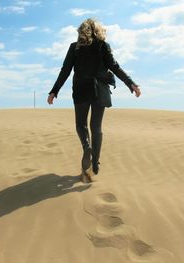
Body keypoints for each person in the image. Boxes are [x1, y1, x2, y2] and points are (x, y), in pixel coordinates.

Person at [47, 18, 141, 181]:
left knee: (81, 124)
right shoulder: (103, 46)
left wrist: (54, 91)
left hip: (81, 88)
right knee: (96, 126)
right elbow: (115, 67)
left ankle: (86, 147)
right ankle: (95, 163)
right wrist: (131, 83)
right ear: (98, 30)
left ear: (81, 31)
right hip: (100, 89)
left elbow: (65, 71)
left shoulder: (74, 47)